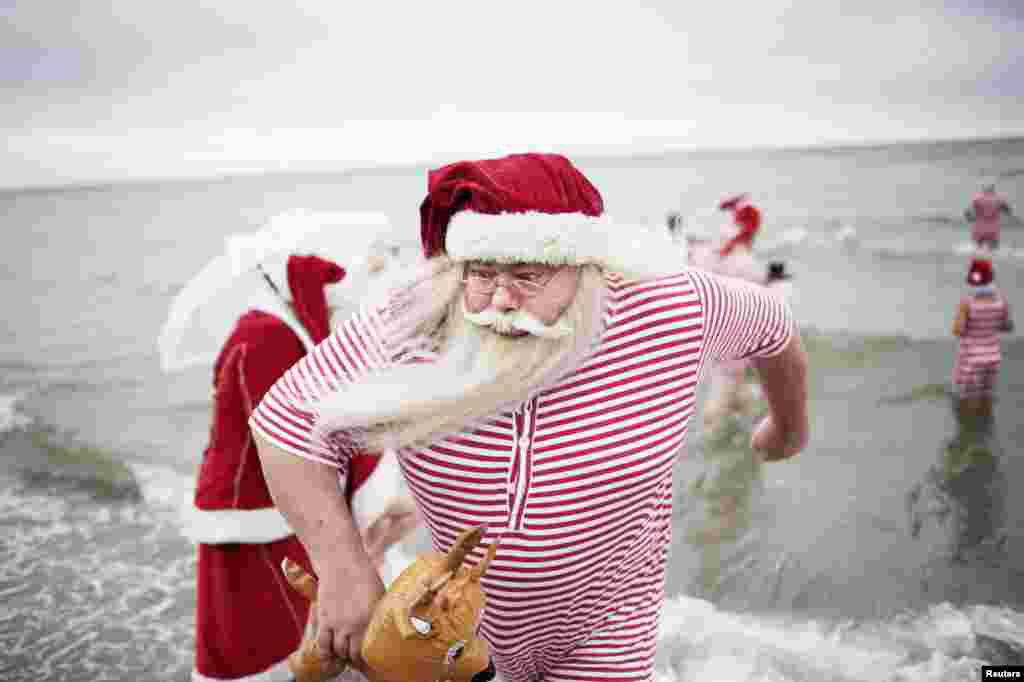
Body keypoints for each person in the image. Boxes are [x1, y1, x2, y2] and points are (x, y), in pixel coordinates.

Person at [250, 153, 809, 682]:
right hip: (459, 619)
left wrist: (787, 426)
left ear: (585, 265)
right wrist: (344, 568)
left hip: (607, 622)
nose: (500, 299)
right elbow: (286, 424)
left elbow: (774, 327)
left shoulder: (671, 306)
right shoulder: (414, 320)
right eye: (483, 273)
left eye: (527, 274)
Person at [184, 252, 419, 682]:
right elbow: (293, 433)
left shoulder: (274, 332)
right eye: (327, 294)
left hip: (269, 507)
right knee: (258, 637)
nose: (334, 305)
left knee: (289, 626)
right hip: (255, 516)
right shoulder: (265, 339)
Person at [952, 258, 1014, 418]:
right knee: (987, 397)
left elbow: (958, 330)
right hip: (993, 358)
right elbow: (1008, 327)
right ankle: (985, 433)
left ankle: (970, 435)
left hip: (971, 360)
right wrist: (989, 324)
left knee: (966, 400)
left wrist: (964, 322)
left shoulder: (967, 303)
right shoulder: (1001, 303)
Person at [965, 183, 1012, 251]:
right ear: (993, 189)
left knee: (978, 250)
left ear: (983, 189)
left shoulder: (977, 199)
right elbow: (1008, 211)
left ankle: (980, 261)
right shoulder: (999, 199)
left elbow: (967, 212)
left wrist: (970, 219)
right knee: (993, 250)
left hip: (979, 227)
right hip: (993, 228)